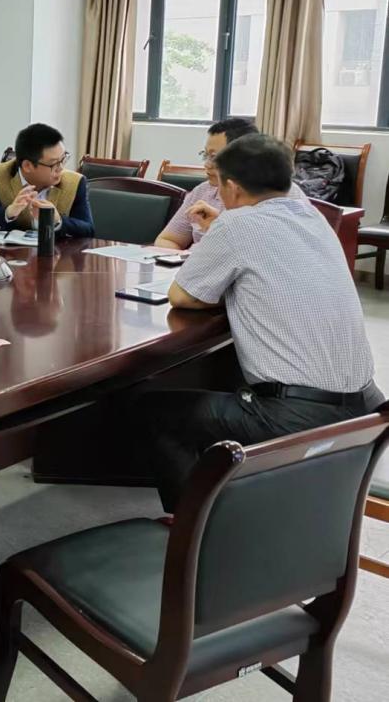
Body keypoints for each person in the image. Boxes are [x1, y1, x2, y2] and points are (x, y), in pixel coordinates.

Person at [134, 134, 381, 511]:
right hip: (368, 403)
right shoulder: (312, 215)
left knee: (158, 412)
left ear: (232, 187)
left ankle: (195, 529)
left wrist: (223, 231)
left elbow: (183, 296)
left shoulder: (237, 225)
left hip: (299, 414)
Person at [153, 117, 306, 249]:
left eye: (214, 156)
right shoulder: (203, 191)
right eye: (205, 155)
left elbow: (273, 251)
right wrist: (180, 261)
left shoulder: (281, 193)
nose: (207, 164)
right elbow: (167, 239)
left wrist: (220, 226)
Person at [0, 123, 93, 237]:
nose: (61, 168)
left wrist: (58, 221)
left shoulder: (75, 183)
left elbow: (88, 230)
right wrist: (8, 213)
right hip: (12, 251)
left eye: (63, 159)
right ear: (27, 166)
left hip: (57, 251)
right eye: (54, 164)